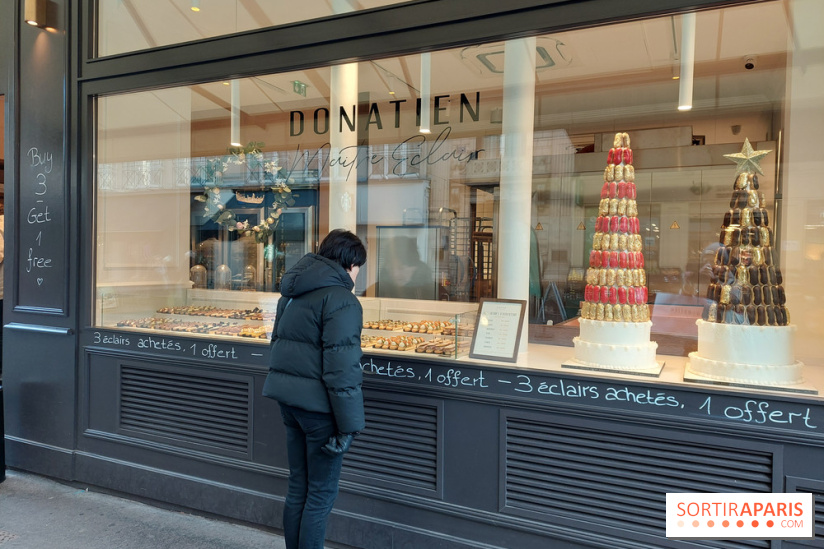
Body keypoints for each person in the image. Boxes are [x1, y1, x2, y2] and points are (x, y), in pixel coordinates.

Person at [262, 228, 366, 549]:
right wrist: (348, 426)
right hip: (321, 412)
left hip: (289, 404)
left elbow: (277, 344)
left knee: (298, 487)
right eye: (359, 265)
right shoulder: (342, 300)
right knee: (320, 496)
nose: (359, 273)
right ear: (349, 263)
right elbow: (342, 369)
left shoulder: (291, 294)